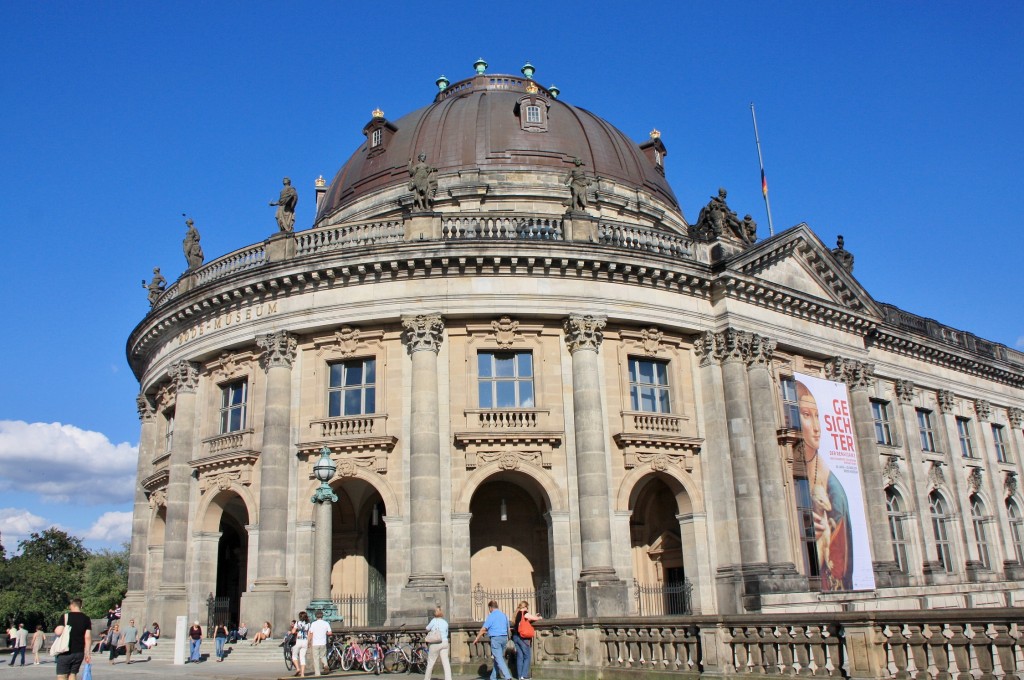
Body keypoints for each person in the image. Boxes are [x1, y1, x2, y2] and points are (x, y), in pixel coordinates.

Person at [797, 380, 854, 591]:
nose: (817, 428)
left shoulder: (837, 493)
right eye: (805, 415)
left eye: (818, 415)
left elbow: (841, 559)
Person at [472, 600, 513, 680]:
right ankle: (493, 677)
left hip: (495, 638)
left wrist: (477, 638)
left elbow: (484, 629)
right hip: (504, 638)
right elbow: (508, 628)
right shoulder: (504, 615)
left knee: (499, 659)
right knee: (498, 658)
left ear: (490, 608)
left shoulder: (491, 616)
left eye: (489, 608)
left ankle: (508, 677)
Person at [54, 597, 92, 680]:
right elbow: (88, 637)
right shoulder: (86, 618)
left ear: (72, 605)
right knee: (72, 674)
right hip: (79, 652)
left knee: (61, 675)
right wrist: (87, 653)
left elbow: (58, 632)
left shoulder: (65, 617)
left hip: (65, 651)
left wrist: (57, 628)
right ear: (80, 606)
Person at [511, 601, 542, 680]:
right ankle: (524, 675)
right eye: (527, 607)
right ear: (525, 607)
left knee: (520, 656)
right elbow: (533, 618)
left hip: (515, 637)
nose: (527, 609)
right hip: (522, 638)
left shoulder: (517, 614)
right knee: (527, 656)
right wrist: (539, 617)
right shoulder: (524, 612)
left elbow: (525, 621)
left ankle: (519, 676)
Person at [423, 605, 452, 680]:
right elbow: (446, 632)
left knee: (430, 662)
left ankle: (427, 679)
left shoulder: (433, 620)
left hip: (436, 643)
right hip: (445, 642)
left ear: (435, 613)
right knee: (446, 662)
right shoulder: (445, 622)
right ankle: (449, 678)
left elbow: (427, 628)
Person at [308, 610, 332, 677]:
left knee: (316, 659)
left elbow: (311, 633)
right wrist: (326, 633)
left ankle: (317, 673)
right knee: (323, 656)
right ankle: (325, 664)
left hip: (315, 643)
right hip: (323, 642)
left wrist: (309, 641)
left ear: (316, 616)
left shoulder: (313, 624)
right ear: (322, 616)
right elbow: (330, 633)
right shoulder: (326, 623)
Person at [290, 611, 310, 677]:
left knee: (294, 656)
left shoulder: (297, 623)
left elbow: (293, 632)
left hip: (298, 641)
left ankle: (298, 668)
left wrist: (296, 631)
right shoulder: (308, 624)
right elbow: (309, 634)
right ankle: (302, 674)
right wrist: (309, 642)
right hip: (305, 641)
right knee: (302, 657)